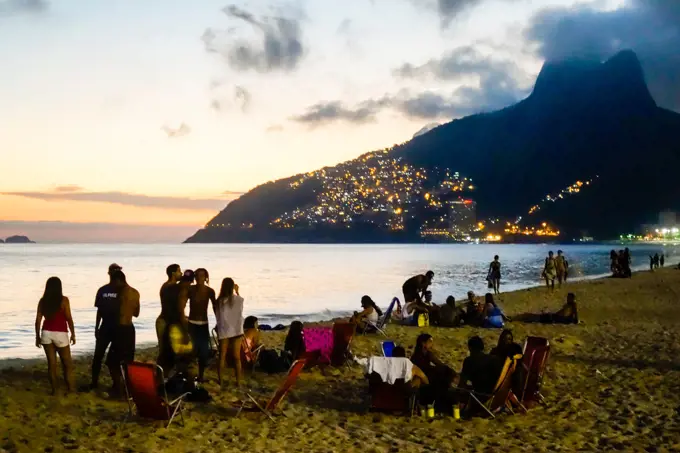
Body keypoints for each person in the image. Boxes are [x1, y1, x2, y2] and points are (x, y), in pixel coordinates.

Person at [34, 277, 76, 395]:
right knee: (67, 364)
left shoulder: (43, 301)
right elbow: (68, 318)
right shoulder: (63, 300)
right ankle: (71, 390)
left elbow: (38, 320)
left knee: (51, 365)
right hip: (61, 334)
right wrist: (73, 333)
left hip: (46, 333)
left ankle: (54, 390)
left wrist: (37, 336)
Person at [85, 263, 122, 392]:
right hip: (105, 326)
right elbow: (99, 310)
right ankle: (94, 382)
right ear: (109, 273)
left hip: (118, 327)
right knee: (98, 356)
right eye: (114, 271)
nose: (115, 273)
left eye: (118, 271)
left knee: (116, 357)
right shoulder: (103, 290)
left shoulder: (123, 290)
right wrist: (96, 327)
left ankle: (116, 383)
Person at [106, 270, 140, 397]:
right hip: (130, 329)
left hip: (120, 328)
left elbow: (114, 312)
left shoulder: (119, 293)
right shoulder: (135, 292)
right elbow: (136, 313)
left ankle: (118, 388)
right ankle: (126, 387)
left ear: (118, 280)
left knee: (112, 361)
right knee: (127, 361)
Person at [158, 270, 194, 370]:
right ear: (188, 282)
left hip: (167, 322)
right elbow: (180, 311)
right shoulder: (183, 291)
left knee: (165, 352)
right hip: (175, 325)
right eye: (190, 283)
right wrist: (186, 331)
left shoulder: (170, 287)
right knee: (183, 352)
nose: (190, 285)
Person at [411, 334, 455, 412]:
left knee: (444, 370)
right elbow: (421, 369)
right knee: (441, 373)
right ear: (423, 343)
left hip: (428, 374)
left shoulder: (428, 353)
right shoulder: (417, 355)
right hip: (422, 377)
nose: (432, 344)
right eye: (430, 342)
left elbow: (438, 363)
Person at [215, 277, 245, 388]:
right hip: (237, 330)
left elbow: (217, 316)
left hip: (224, 330)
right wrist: (237, 291)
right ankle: (238, 382)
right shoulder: (238, 299)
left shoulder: (219, 301)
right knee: (237, 357)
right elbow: (241, 307)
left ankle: (221, 380)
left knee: (222, 356)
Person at [187, 268, 216, 383]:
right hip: (192, 323)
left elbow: (215, 307)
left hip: (204, 324)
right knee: (190, 351)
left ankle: (201, 375)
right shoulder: (190, 289)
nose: (199, 278)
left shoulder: (210, 291)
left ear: (206, 277)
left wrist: (220, 321)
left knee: (204, 352)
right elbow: (182, 303)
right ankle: (188, 374)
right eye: (197, 276)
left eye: (202, 276)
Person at [157, 264, 182, 361]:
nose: (181, 273)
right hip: (165, 321)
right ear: (173, 273)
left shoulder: (166, 285)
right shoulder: (172, 287)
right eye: (179, 271)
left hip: (163, 320)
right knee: (165, 351)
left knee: (164, 350)